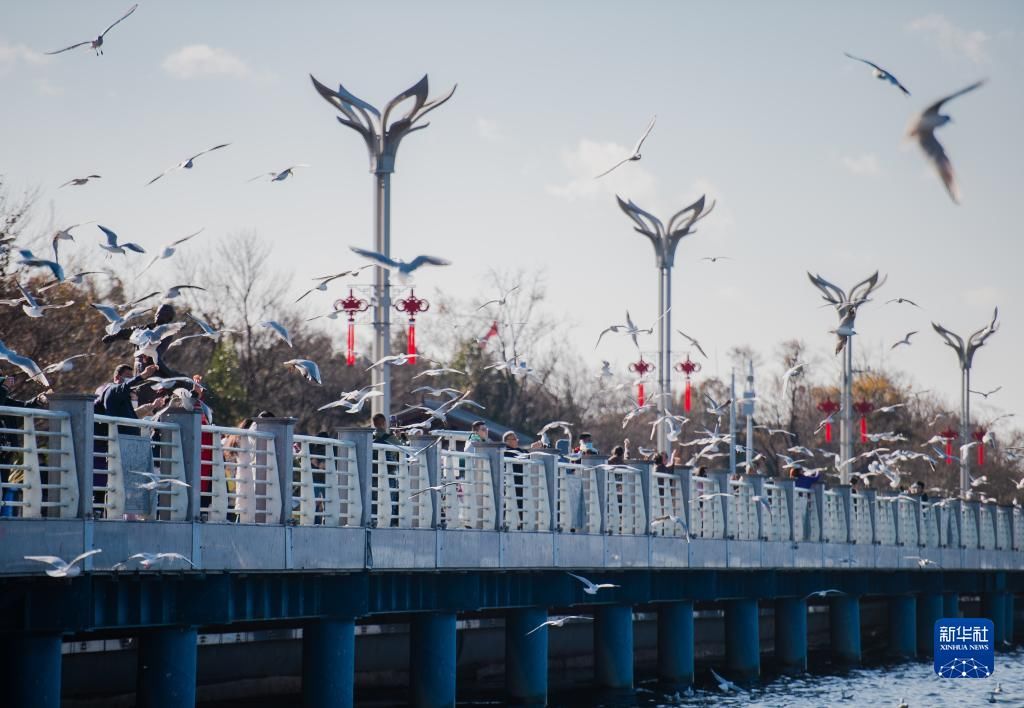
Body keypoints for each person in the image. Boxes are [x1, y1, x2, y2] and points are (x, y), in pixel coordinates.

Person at [0, 376, 46, 517]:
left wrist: (39, 400)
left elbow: (23, 408)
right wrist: (4, 388)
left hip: (4, 455)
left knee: (2, 489)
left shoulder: (6, 400)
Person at [372, 413, 402, 527]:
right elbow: (402, 451)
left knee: (375, 502)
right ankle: (389, 522)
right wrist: (398, 438)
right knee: (390, 500)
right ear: (384, 423)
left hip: (373, 475)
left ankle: (374, 522)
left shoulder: (371, 438)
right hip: (388, 475)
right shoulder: (390, 438)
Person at [502, 431, 527, 528]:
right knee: (508, 503)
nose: (517, 441)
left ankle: (522, 523)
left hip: (521, 482)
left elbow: (526, 454)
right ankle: (505, 523)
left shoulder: (519, 450)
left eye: (517, 439)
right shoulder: (505, 451)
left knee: (521, 504)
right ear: (507, 441)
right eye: (514, 439)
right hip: (510, 482)